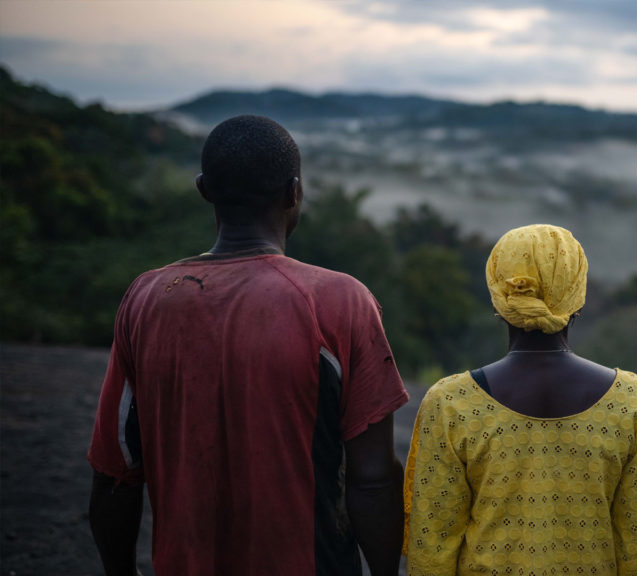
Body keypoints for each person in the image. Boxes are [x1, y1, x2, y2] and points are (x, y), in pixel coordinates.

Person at [87, 115, 409, 576]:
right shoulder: (339, 301)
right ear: (293, 191)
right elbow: (373, 478)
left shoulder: (146, 298)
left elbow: (115, 470)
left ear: (203, 189)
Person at [403, 224, 637, 575]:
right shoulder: (630, 400)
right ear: (576, 296)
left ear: (499, 297)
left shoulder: (451, 403)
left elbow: (431, 550)